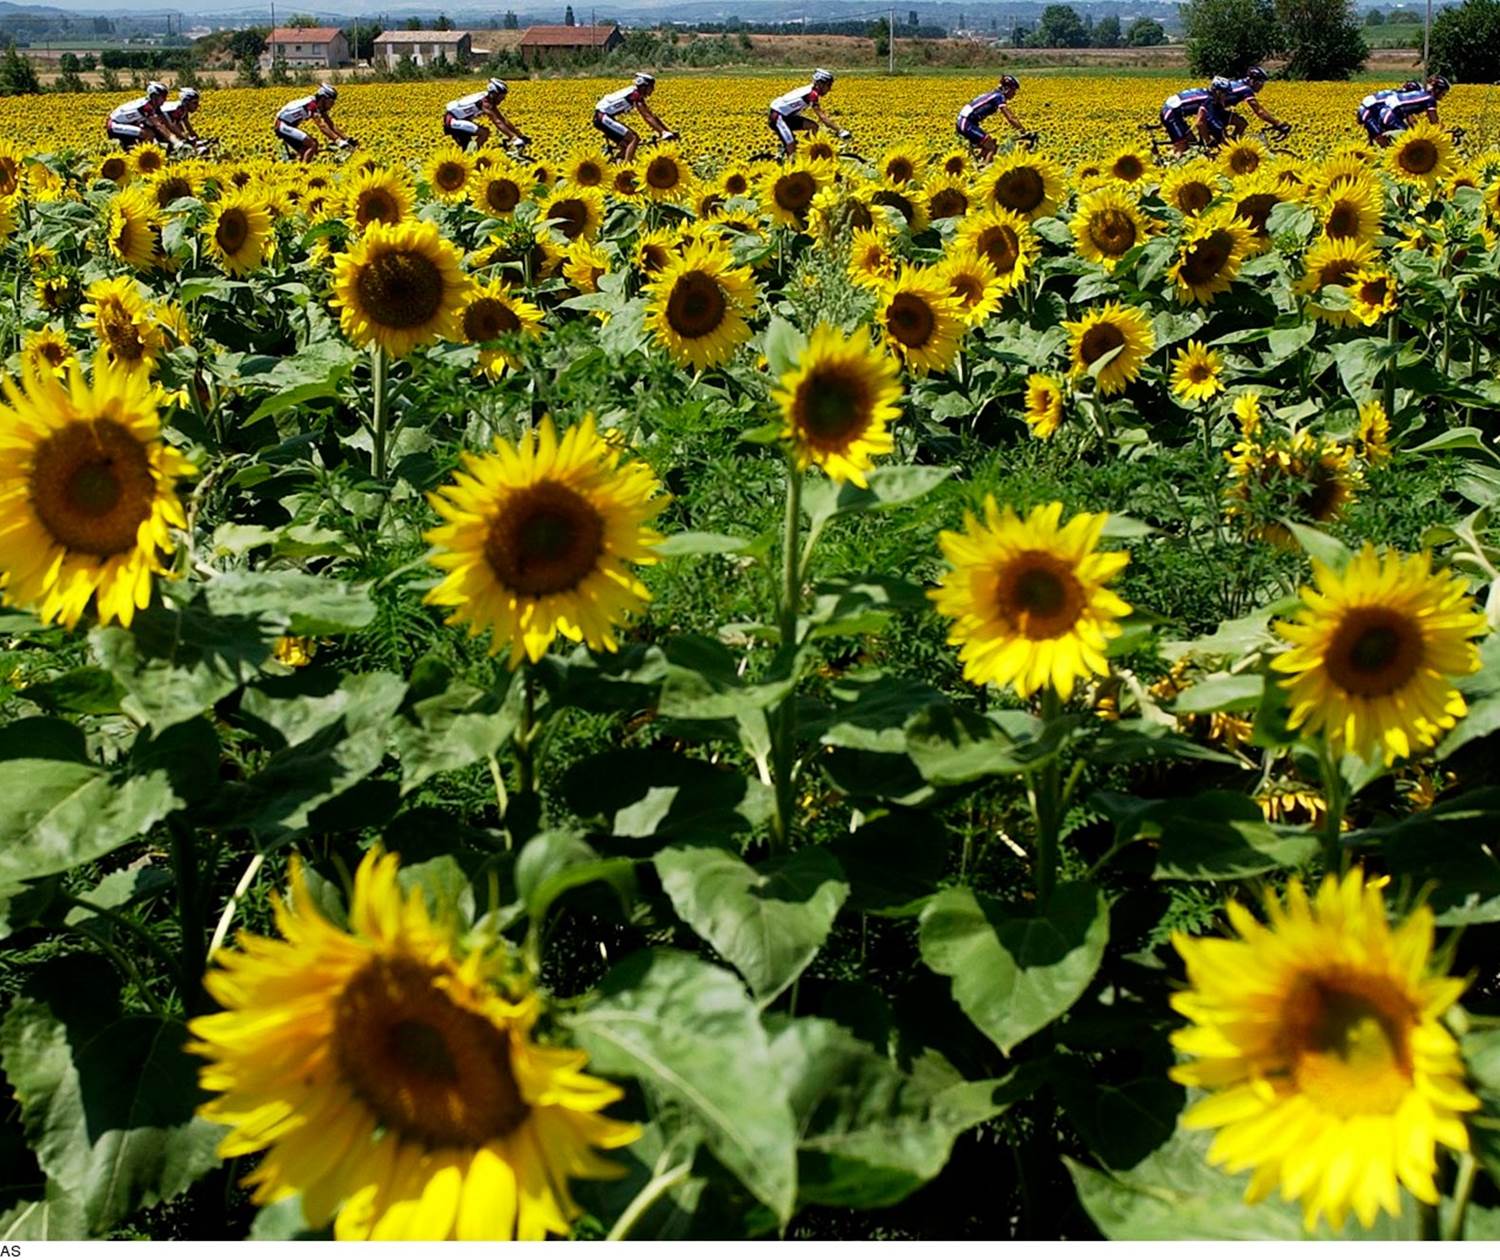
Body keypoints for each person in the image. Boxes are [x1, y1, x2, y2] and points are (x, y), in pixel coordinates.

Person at [593, 73, 676, 162]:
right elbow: (647, 116)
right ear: (643, 86)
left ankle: (614, 164)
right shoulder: (635, 95)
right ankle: (626, 168)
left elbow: (652, 116)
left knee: (626, 146)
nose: (652, 90)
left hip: (602, 117)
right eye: (651, 87)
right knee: (634, 138)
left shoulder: (634, 93)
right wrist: (663, 132)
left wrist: (667, 131)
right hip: (603, 116)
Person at [767, 68, 848, 158]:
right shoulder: (811, 94)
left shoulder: (811, 90)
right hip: (778, 117)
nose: (829, 89)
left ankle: (801, 148)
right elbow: (822, 117)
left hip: (787, 116)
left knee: (814, 127)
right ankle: (790, 163)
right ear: (820, 84)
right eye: (828, 85)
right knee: (791, 146)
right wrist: (840, 130)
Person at [955, 74, 1033, 160]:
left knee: (991, 144)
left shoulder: (994, 94)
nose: (1014, 93)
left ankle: (976, 164)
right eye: (1013, 90)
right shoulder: (999, 97)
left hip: (965, 121)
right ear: (1007, 89)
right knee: (991, 147)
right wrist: (1023, 131)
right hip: (966, 122)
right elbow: (1010, 118)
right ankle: (984, 170)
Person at [274, 83, 355, 163]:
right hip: (282, 124)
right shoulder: (312, 105)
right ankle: (303, 171)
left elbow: (331, 124)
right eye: (331, 102)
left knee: (306, 150)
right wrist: (338, 141)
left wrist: (347, 139)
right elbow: (322, 126)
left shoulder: (319, 106)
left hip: (287, 125)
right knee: (312, 144)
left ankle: (296, 168)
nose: (332, 105)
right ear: (323, 99)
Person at [444, 78, 529, 151]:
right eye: (501, 97)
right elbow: (497, 122)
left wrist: (519, 135)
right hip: (453, 120)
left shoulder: (489, 100)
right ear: (493, 94)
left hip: (461, 119)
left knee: (470, 142)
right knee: (484, 133)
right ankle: (472, 154)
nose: (502, 100)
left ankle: (470, 153)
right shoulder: (485, 103)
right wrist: (513, 138)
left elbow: (503, 120)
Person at [1365, 75, 1450, 146]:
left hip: (1385, 114)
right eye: (1443, 94)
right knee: (1407, 141)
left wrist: (1418, 131)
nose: (1443, 97)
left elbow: (1410, 118)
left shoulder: (1420, 96)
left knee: (1391, 142)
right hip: (1390, 115)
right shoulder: (1429, 99)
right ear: (1437, 90)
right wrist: (1445, 133)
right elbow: (1434, 121)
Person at [1213, 66, 1291, 141]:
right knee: (1241, 124)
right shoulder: (1245, 89)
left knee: (1241, 124)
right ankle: (1229, 149)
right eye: (1260, 82)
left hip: (1214, 108)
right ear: (1253, 81)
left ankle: (1229, 147)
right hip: (1211, 110)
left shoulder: (1240, 83)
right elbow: (1259, 111)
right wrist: (1278, 124)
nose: (1262, 86)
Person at [106, 82, 184, 151]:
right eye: (163, 97)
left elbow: (167, 124)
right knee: (147, 133)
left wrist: (183, 138)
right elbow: (159, 126)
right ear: (154, 96)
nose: (165, 99)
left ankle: (141, 151)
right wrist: (175, 142)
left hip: (127, 123)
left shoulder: (155, 106)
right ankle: (137, 153)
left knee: (150, 132)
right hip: (114, 125)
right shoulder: (146, 106)